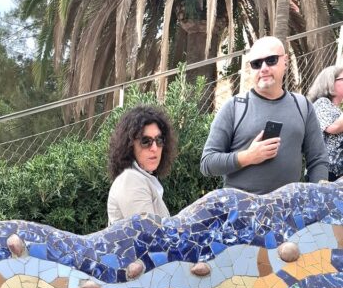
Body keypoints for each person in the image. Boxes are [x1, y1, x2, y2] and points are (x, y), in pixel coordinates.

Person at [200, 35, 328, 194]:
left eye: (271, 60)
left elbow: (318, 159)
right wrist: (248, 156)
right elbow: (207, 163)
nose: (264, 68)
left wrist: (317, 197)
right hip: (242, 207)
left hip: (288, 206)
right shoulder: (234, 107)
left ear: (285, 61)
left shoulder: (302, 106)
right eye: (256, 63)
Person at [107, 104, 177, 223]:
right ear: (129, 146)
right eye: (146, 141)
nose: (154, 148)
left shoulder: (143, 177)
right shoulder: (131, 181)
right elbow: (149, 232)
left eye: (159, 140)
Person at [308, 65, 343, 181]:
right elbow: (333, 128)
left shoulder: (337, 109)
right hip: (325, 171)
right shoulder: (322, 103)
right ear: (330, 83)